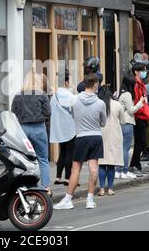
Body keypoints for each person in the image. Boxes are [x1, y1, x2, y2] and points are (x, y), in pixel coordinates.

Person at [54, 74, 107, 210]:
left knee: (75, 168)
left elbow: (73, 116)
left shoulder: (74, 100)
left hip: (81, 136)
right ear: (95, 84)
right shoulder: (100, 103)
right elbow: (103, 122)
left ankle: (68, 199)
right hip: (95, 136)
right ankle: (90, 199)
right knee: (93, 168)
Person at [12, 71, 51, 193]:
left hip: (23, 129)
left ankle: (27, 186)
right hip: (39, 128)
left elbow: (13, 111)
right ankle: (45, 188)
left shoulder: (18, 95)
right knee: (43, 159)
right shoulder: (42, 94)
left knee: (25, 159)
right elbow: (48, 112)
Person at [50, 70, 76, 187]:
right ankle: (67, 178)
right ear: (66, 82)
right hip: (70, 127)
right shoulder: (70, 95)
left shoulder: (54, 96)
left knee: (62, 152)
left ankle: (58, 177)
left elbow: (50, 110)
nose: (71, 82)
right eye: (70, 79)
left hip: (59, 127)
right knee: (70, 152)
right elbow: (75, 110)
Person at [98, 86, 125, 196]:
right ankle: (110, 189)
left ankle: (101, 189)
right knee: (111, 164)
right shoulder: (117, 105)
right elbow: (123, 120)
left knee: (102, 163)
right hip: (115, 135)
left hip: (101, 135)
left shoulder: (98, 105)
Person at [116, 74, 144, 179]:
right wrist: (140, 103)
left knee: (121, 148)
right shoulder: (127, 94)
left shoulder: (122, 93)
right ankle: (124, 170)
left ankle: (118, 170)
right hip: (127, 123)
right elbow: (131, 110)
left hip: (122, 123)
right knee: (125, 148)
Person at [129, 62, 149, 176]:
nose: (144, 72)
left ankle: (136, 164)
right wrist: (142, 112)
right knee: (142, 142)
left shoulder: (140, 83)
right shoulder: (136, 84)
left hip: (142, 115)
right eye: (142, 70)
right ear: (136, 72)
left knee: (140, 142)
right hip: (140, 116)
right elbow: (138, 100)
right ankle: (134, 164)